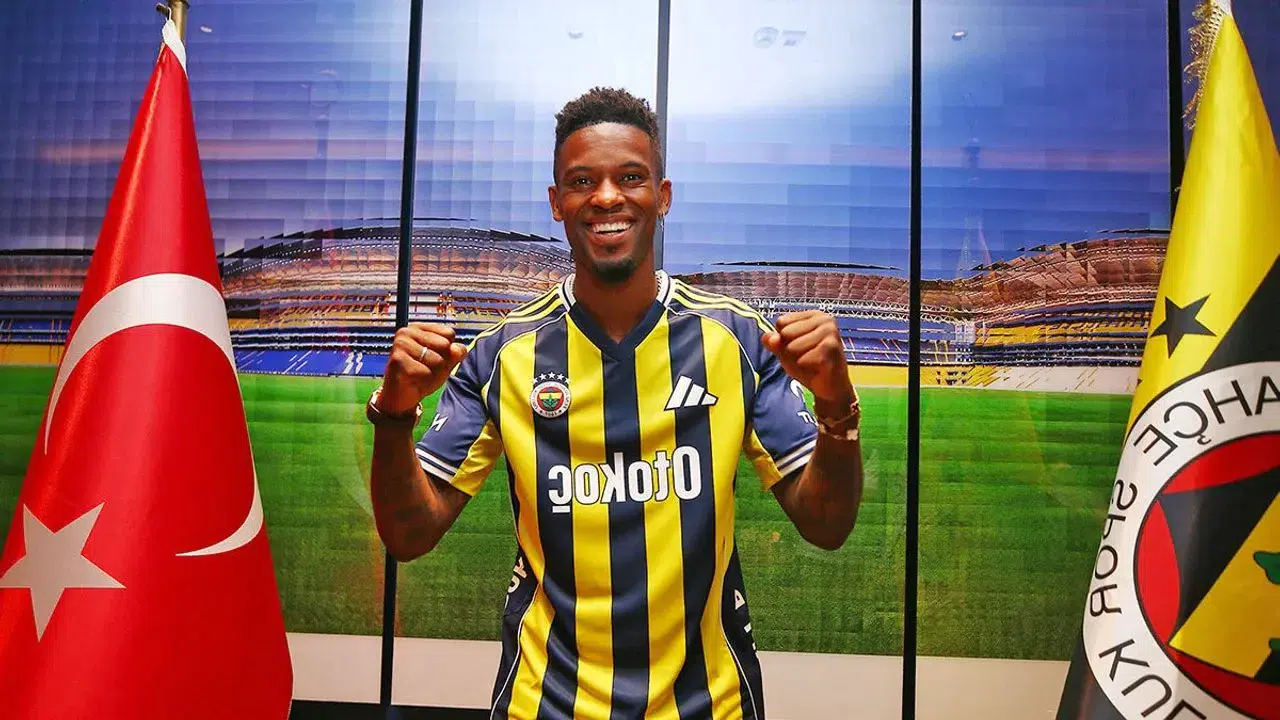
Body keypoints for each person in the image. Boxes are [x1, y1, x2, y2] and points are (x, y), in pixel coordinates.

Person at [368, 87, 863, 720]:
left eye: (631, 177)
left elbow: (826, 525)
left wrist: (836, 406)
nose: (606, 197)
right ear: (557, 202)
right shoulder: (501, 355)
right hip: (546, 703)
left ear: (663, 196)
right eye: (582, 181)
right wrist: (394, 417)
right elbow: (409, 535)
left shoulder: (738, 340)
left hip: (708, 704)